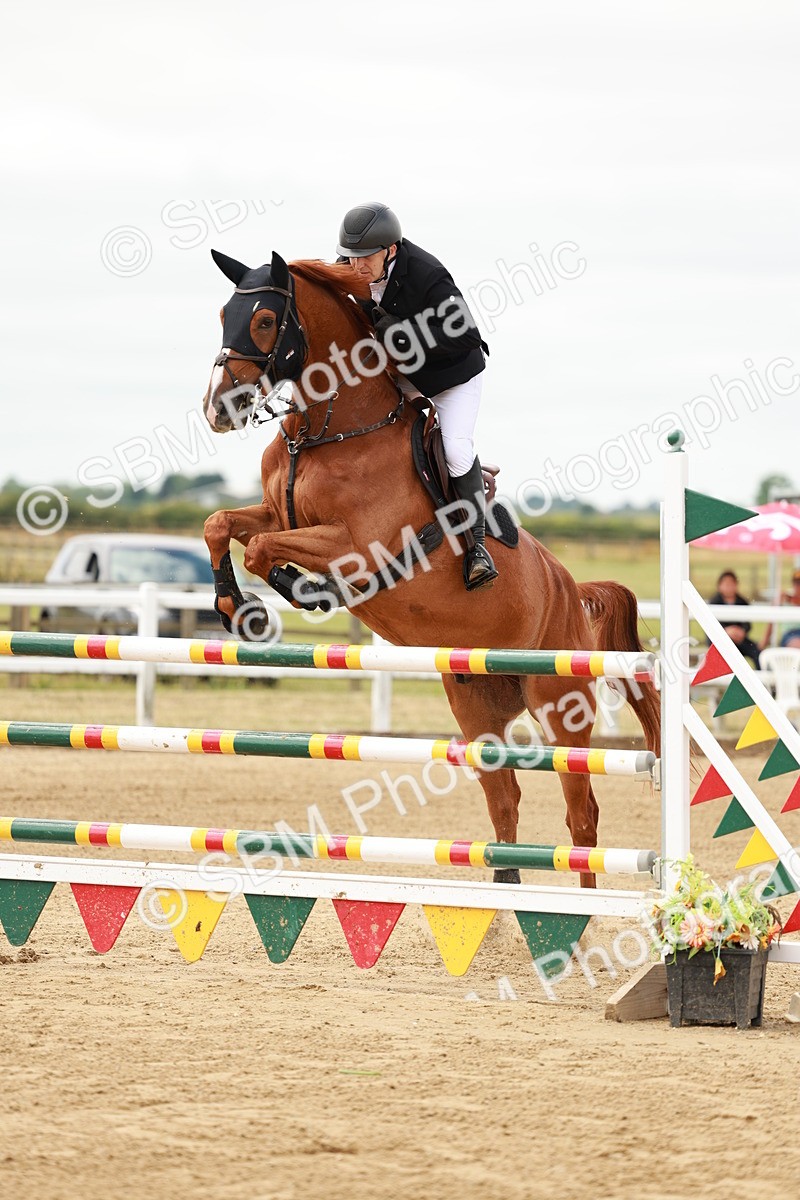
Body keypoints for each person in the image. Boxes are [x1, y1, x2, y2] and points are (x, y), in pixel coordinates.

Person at [336, 201, 497, 591]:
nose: (357, 268)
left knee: (456, 449)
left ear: (390, 249)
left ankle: (477, 548)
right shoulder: (349, 266)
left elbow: (466, 335)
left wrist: (408, 336)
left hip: (452, 377)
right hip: (405, 373)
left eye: (366, 258)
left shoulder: (428, 274)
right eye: (352, 257)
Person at [708, 570, 761, 667]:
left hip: (740, 639)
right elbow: (709, 623)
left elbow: (747, 623)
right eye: (726, 584)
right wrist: (725, 631)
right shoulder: (714, 602)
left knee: (756, 651)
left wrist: (742, 631)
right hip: (719, 639)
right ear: (719, 586)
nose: (729, 587)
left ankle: (761, 678)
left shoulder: (742, 601)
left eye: (731, 584)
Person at [760, 569, 800, 650]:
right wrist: (765, 640)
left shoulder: (788, 598)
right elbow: (772, 620)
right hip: (790, 634)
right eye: (797, 583)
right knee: (796, 645)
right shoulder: (784, 599)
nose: (798, 586)